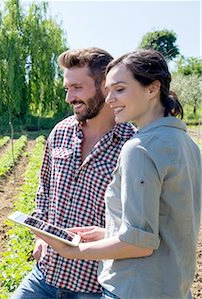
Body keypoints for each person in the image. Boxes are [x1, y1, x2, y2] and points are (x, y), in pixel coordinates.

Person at [36, 49, 201, 299]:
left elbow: (139, 243)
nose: (110, 98)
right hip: (168, 287)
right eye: (110, 89)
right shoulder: (186, 143)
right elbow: (161, 225)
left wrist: (75, 250)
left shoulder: (137, 147)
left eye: (119, 89)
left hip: (132, 287)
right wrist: (109, 232)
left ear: (152, 89)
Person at [11, 48, 136, 299]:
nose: (69, 97)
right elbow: (45, 188)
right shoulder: (61, 131)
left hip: (95, 285)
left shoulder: (132, 145)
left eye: (77, 87)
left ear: (105, 86)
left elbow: (140, 222)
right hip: (46, 274)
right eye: (67, 89)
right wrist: (41, 236)